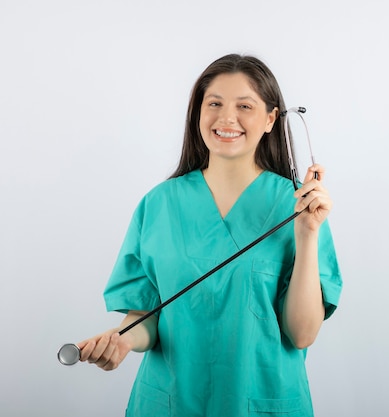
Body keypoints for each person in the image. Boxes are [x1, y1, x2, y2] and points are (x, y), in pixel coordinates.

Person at [76, 53, 342, 416]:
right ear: (198, 114)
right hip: (170, 402)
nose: (226, 118)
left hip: (263, 400)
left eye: (244, 106)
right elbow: (148, 315)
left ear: (270, 119)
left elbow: (302, 334)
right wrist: (122, 341)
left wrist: (308, 233)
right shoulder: (159, 205)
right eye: (214, 103)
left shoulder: (299, 207)